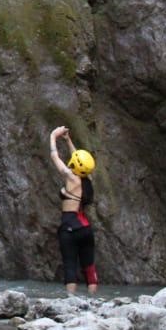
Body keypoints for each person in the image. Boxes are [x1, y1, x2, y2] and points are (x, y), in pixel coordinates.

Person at [50, 126, 98, 294]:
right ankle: (94, 301)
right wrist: (68, 140)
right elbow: (79, 159)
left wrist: (53, 137)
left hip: (69, 226)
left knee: (70, 264)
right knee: (89, 267)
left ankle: (70, 304)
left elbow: (55, 157)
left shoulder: (72, 178)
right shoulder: (87, 179)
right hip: (85, 228)